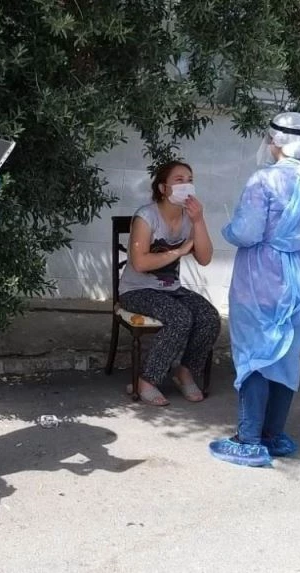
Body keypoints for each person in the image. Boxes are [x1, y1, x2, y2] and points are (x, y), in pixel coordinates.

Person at [209, 112, 300, 467]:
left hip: (261, 278)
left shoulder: (263, 180)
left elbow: (247, 232)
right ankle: (274, 434)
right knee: (287, 355)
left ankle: (249, 439)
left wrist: (228, 230)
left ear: (276, 142)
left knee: (255, 354)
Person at [118, 161, 220, 406]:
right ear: (163, 188)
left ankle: (185, 373)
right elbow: (140, 263)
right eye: (179, 180)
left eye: (190, 180)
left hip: (170, 289)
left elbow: (205, 258)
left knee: (209, 316)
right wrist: (178, 252)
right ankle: (146, 381)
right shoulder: (146, 216)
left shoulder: (189, 218)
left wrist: (199, 221)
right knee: (180, 317)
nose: (186, 185)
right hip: (136, 290)